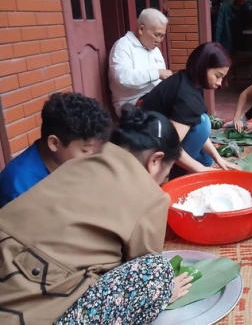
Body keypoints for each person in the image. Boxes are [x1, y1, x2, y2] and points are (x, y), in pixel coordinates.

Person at [0, 107, 192, 324]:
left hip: (11, 285)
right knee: (157, 272)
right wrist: (164, 291)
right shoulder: (151, 195)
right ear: (155, 160)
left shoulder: (73, 164)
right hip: (34, 309)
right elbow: (140, 265)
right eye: (164, 176)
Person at [140, 42, 241, 177]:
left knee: (207, 158)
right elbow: (169, 144)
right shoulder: (187, 96)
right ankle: (176, 173)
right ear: (203, 67)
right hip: (148, 146)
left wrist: (219, 158)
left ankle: (187, 165)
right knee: (203, 122)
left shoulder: (188, 80)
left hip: (156, 134)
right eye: (218, 76)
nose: (219, 82)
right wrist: (199, 169)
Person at [0, 92, 112, 208]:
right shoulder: (19, 188)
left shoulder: (69, 162)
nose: (92, 156)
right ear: (54, 143)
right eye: (84, 150)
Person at [109, 8, 172, 116]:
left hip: (154, 96)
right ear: (142, 29)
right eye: (156, 35)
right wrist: (157, 73)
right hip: (132, 103)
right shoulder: (123, 45)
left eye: (162, 36)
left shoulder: (155, 50)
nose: (159, 40)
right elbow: (123, 78)